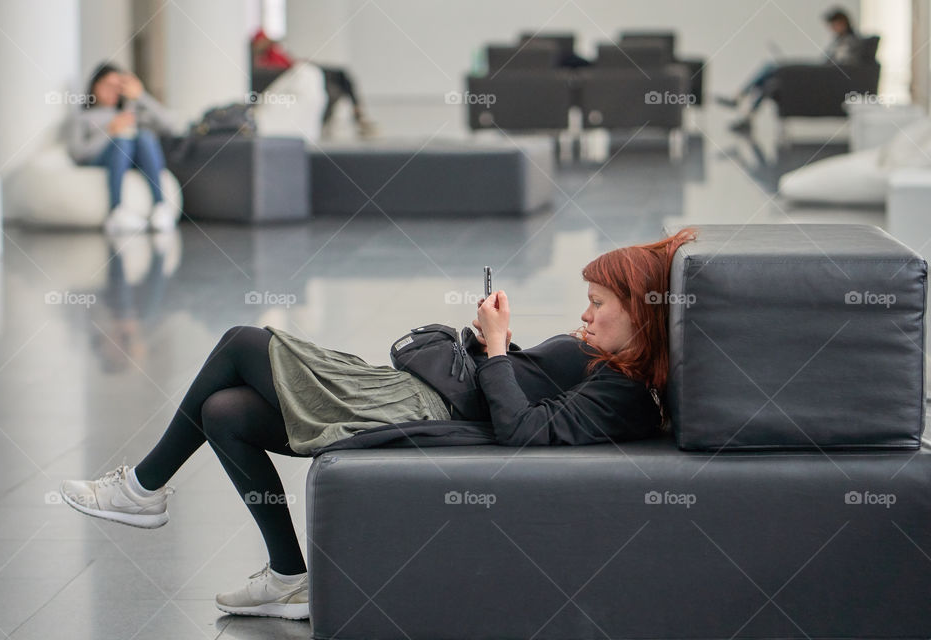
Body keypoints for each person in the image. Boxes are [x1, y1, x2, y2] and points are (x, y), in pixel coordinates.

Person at [58, 228, 696, 620]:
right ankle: (287, 575)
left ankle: (141, 490)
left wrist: (499, 349)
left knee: (240, 341)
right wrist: (494, 345)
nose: (585, 317)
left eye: (598, 305)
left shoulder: (628, 392)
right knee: (224, 412)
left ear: (640, 314)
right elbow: (532, 399)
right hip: (413, 394)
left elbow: (527, 431)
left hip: (417, 408)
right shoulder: (611, 366)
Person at [68, 63, 180, 235]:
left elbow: (171, 126)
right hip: (103, 158)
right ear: (94, 86)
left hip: (134, 159)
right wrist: (110, 131)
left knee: (145, 136)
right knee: (122, 140)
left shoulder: (129, 112)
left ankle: (160, 206)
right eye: (108, 85)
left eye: (118, 87)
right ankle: (116, 211)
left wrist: (141, 96)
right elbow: (78, 154)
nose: (113, 91)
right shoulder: (83, 117)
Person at [718, 7, 866, 133]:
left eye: (833, 25)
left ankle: (739, 98)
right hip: (820, 76)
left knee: (771, 68)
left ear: (842, 23)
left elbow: (837, 67)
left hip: (821, 80)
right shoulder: (839, 41)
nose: (831, 29)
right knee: (771, 82)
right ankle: (746, 114)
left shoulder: (850, 42)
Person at [251, 29, 377, 138]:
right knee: (326, 76)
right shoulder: (259, 58)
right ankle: (358, 115)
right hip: (289, 72)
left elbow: (289, 61)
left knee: (340, 75)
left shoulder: (274, 52)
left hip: (295, 68)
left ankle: (358, 113)